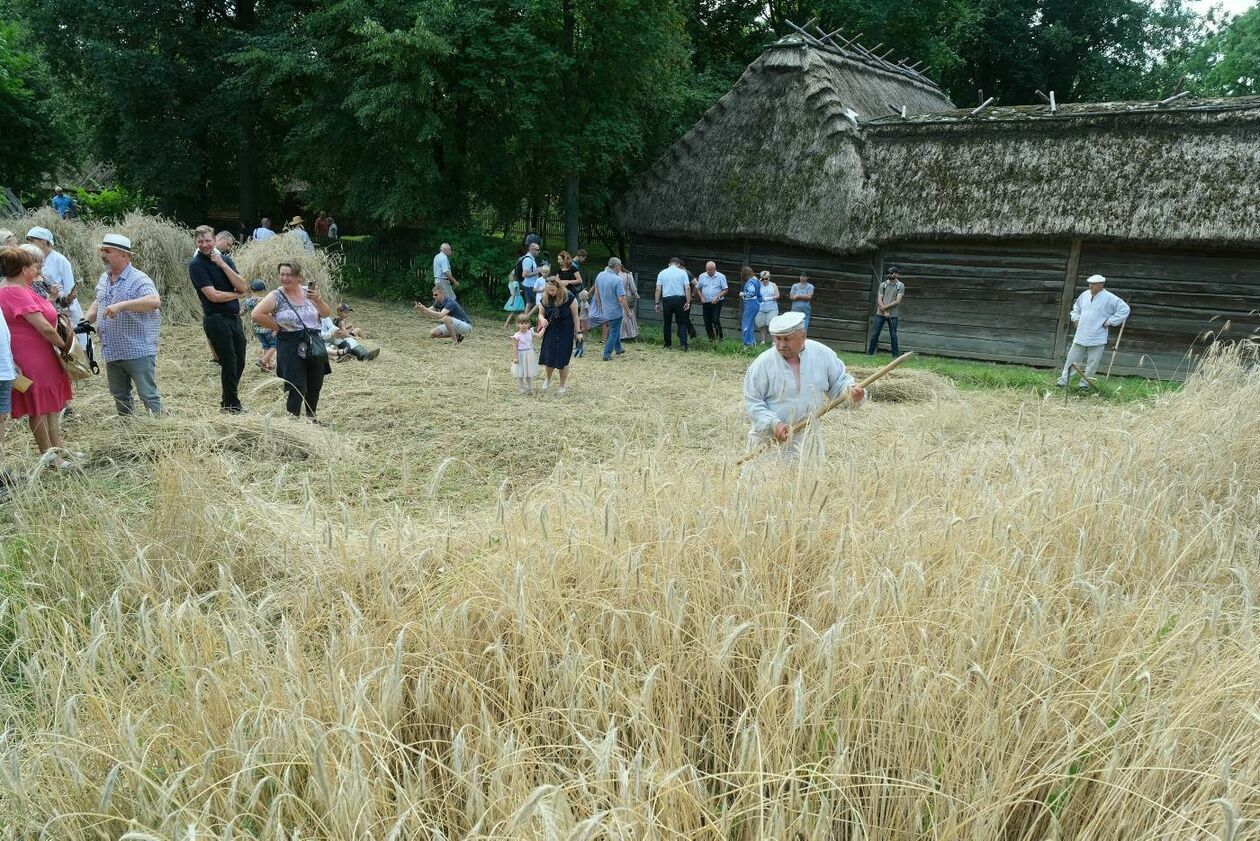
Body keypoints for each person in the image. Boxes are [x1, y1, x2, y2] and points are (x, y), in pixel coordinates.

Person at [743, 311, 866, 464]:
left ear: (803, 336)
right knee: (765, 486)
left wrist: (852, 394)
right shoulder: (762, 364)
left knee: (805, 486)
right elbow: (752, 402)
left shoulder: (822, 355)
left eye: (787, 339)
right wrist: (773, 424)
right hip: (769, 444)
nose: (781, 345)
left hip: (807, 442)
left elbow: (840, 384)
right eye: (777, 338)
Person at [0, 246, 74, 467]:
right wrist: (65, 347)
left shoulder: (24, 287)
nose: (39, 269)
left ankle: (58, 449)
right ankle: (50, 457)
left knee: (51, 403)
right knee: (39, 405)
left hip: (42, 353)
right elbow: (45, 328)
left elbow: (46, 312)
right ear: (23, 269)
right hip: (31, 355)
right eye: (35, 266)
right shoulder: (13, 291)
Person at [86, 234, 163, 415]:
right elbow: (99, 300)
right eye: (102, 251)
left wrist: (122, 306)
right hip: (112, 349)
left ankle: (159, 427)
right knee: (119, 394)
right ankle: (127, 428)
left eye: (107, 251)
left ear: (124, 255)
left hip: (137, 349)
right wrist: (86, 318)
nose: (103, 255)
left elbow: (154, 301)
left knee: (147, 394)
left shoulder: (138, 279)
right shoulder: (104, 279)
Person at [250, 261, 332, 420]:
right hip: (290, 343)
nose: (284, 278)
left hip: (313, 341)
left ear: (299, 277)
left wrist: (318, 300)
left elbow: (326, 313)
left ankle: (311, 418)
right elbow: (256, 314)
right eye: (282, 274)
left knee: (315, 382)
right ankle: (293, 421)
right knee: (297, 385)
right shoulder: (276, 296)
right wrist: (276, 327)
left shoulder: (309, 292)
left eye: (289, 274)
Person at [189, 225, 249, 412]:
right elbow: (213, 296)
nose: (205, 245)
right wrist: (236, 295)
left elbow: (243, 286)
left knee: (240, 361)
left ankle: (228, 400)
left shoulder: (226, 260)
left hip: (233, 318)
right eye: (200, 241)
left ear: (214, 240)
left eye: (208, 240)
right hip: (215, 320)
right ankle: (231, 405)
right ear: (196, 243)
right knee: (229, 362)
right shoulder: (196, 265)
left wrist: (223, 265)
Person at [1057, 274, 1130, 389]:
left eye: (1094, 284)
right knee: (1071, 360)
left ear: (1101, 285)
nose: (1091, 286)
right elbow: (1076, 309)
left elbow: (1124, 309)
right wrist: (1075, 319)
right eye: (1090, 284)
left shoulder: (1110, 298)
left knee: (1092, 363)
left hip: (1098, 336)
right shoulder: (1084, 295)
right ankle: (1063, 382)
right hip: (1081, 335)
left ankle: (1084, 386)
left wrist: (1110, 322)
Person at [24, 227, 86, 348]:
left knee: (75, 342)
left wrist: (68, 307)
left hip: (63, 306)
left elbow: (69, 286)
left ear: (43, 241)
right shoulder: (30, 261)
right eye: (28, 241)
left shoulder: (60, 260)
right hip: (46, 306)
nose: (30, 243)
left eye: (32, 240)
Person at [537, 275, 580, 393]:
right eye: (548, 290)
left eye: (553, 290)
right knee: (549, 356)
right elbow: (540, 314)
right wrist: (542, 319)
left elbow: (576, 316)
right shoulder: (545, 298)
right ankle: (548, 379)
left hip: (565, 331)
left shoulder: (569, 297)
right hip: (550, 331)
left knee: (563, 359)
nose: (550, 292)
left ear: (559, 288)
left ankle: (562, 385)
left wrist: (578, 332)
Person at [595, 258, 630, 361]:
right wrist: (628, 311)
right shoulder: (617, 279)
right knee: (614, 331)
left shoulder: (600, 275)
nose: (621, 267)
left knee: (614, 328)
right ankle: (607, 354)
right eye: (620, 265)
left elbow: (597, 292)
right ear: (616, 266)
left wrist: (600, 305)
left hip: (605, 309)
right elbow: (622, 298)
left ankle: (618, 348)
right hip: (614, 310)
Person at [654, 257, 692, 351]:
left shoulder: (662, 273)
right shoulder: (683, 272)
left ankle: (667, 345)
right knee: (682, 323)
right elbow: (687, 288)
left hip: (667, 300)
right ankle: (683, 345)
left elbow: (658, 289)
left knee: (667, 323)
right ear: (678, 264)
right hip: (680, 299)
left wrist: (656, 303)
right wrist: (688, 301)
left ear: (669, 264)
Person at [869, 265, 904, 355]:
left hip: (893, 315)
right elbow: (879, 299)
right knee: (875, 334)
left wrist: (885, 307)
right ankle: (870, 354)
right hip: (880, 314)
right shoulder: (883, 285)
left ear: (896, 274)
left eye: (891, 273)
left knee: (893, 335)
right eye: (888, 273)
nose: (889, 274)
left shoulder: (900, 286)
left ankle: (895, 355)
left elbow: (898, 301)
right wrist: (884, 311)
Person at [243, 279, 277, 372]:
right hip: (267, 327)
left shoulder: (248, 301)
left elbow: (242, 312)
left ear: (251, 290)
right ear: (263, 290)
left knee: (266, 346)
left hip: (256, 329)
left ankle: (267, 365)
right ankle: (262, 361)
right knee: (275, 344)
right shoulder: (264, 301)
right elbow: (270, 314)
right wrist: (275, 327)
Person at [696, 261, 729, 341]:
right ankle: (711, 339)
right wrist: (701, 297)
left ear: (715, 269)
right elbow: (698, 288)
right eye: (707, 269)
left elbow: (726, 290)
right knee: (707, 322)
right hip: (706, 302)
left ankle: (719, 338)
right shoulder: (702, 276)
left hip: (717, 302)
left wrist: (717, 297)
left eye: (710, 270)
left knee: (715, 320)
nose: (709, 271)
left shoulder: (721, 276)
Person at [510, 315, 542, 394]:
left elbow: (539, 335)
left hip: (529, 355)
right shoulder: (517, 335)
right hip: (521, 355)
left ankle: (530, 388)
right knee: (520, 372)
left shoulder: (530, 332)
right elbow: (515, 348)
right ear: (517, 324)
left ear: (529, 324)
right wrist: (515, 358)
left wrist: (544, 328)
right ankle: (521, 387)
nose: (524, 325)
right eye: (521, 323)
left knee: (528, 372)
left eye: (526, 323)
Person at [737, 267, 760, 348]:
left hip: (750, 304)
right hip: (755, 304)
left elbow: (751, 293)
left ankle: (747, 344)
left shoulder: (750, 282)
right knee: (750, 324)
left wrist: (743, 293)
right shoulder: (756, 280)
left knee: (746, 324)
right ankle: (752, 342)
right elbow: (759, 295)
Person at [755, 271, 780, 344]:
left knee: (771, 324)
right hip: (760, 308)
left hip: (772, 308)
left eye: (766, 279)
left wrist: (768, 298)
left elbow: (778, 295)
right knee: (761, 324)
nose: (765, 280)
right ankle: (763, 341)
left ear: (769, 278)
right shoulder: (759, 285)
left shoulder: (773, 285)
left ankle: (773, 342)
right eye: (763, 279)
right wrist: (758, 282)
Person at [620, 266, 640, 341]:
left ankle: (620, 335)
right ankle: (630, 335)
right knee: (629, 316)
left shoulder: (613, 275)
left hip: (616, 298)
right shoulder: (628, 275)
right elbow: (633, 288)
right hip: (626, 297)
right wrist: (636, 296)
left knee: (620, 316)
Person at [575, 289, 589, 357]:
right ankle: (579, 333)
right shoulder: (586, 303)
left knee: (583, 328)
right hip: (585, 318)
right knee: (585, 328)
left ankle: (579, 333)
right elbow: (587, 310)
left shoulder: (581, 303)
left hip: (581, 317)